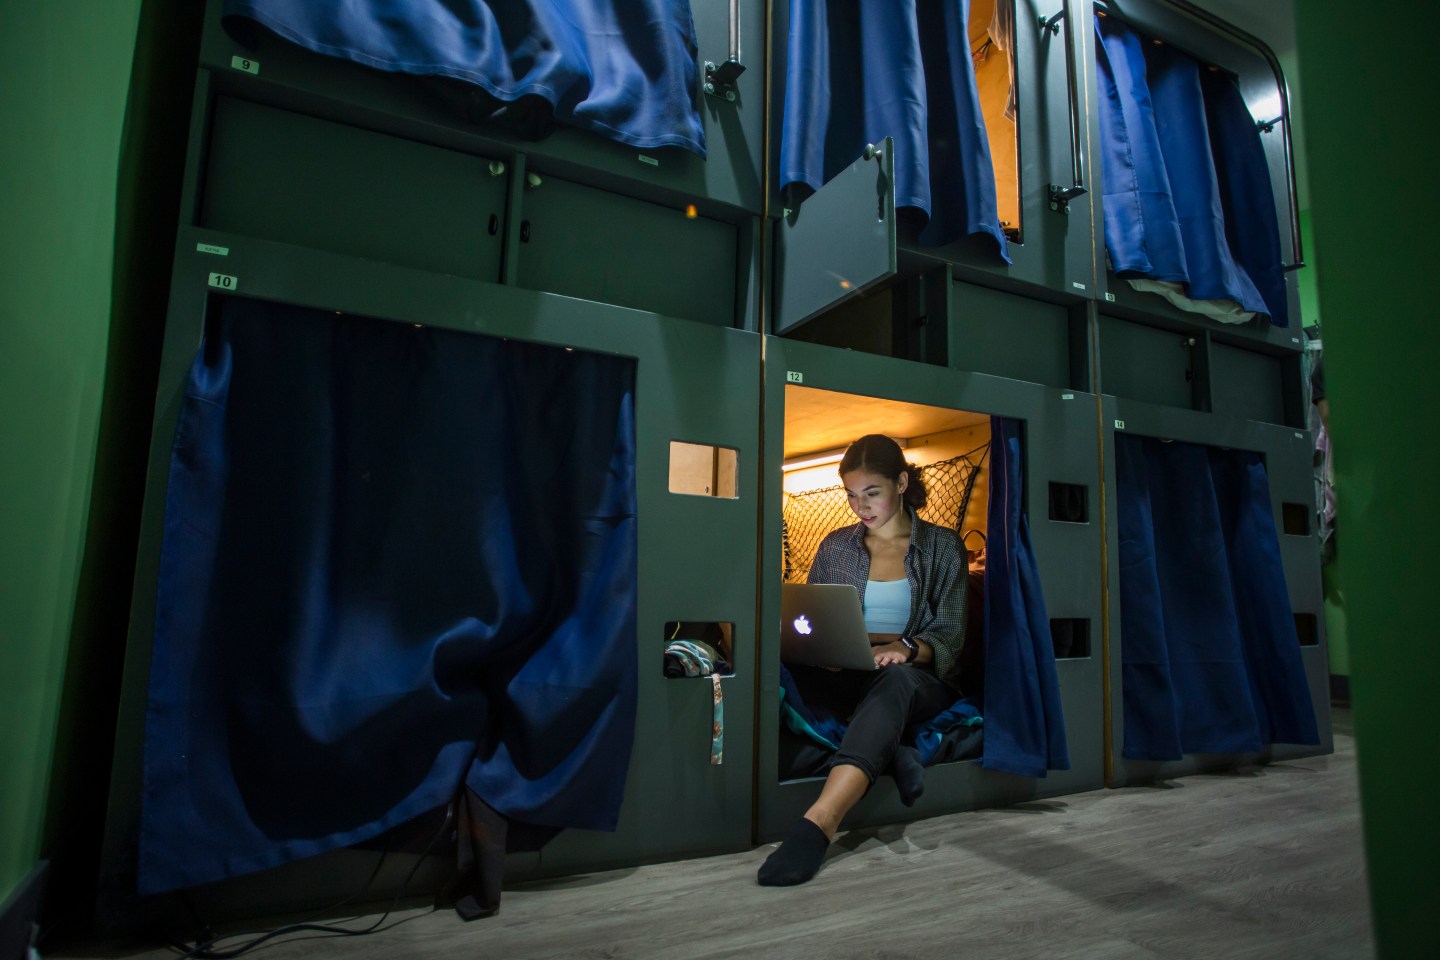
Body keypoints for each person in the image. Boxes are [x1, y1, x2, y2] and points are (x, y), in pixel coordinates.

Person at [758, 434, 968, 886]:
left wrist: (905, 650)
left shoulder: (942, 546)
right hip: (851, 669)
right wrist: (818, 648)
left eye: (871, 492)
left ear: (901, 482)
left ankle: (819, 824)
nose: (860, 506)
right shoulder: (836, 546)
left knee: (894, 684)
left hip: (915, 674)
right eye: (851, 495)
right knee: (778, 672)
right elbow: (810, 617)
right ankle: (897, 750)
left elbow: (950, 632)